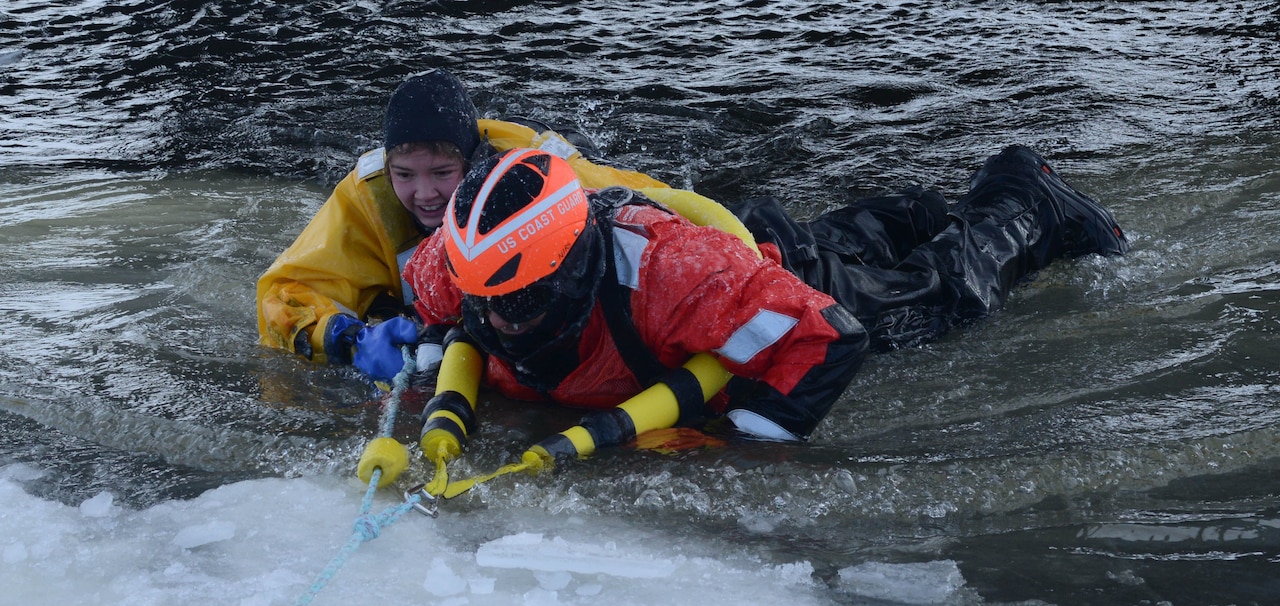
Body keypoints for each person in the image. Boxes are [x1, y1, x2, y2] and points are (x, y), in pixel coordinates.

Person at [403, 144, 1126, 466]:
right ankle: (916, 211)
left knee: (945, 297)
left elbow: (830, 336)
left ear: (569, 268)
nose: (497, 319)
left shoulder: (663, 275)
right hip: (747, 255)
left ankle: (1025, 195)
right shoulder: (457, 261)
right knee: (835, 243)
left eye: (521, 298)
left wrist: (739, 445)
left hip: (758, 284)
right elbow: (430, 304)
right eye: (484, 300)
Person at [255, 69, 671, 382]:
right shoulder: (369, 196)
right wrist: (347, 340)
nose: (425, 194)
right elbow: (283, 294)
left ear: (472, 163)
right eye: (405, 175)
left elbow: (648, 203)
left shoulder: (532, 179)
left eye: (441, 172)